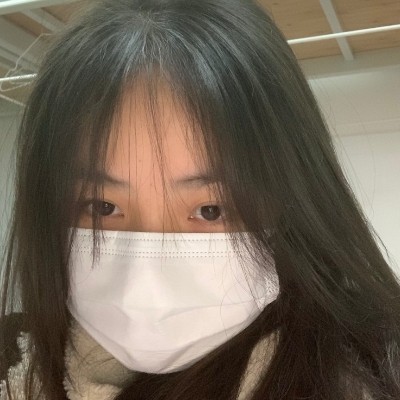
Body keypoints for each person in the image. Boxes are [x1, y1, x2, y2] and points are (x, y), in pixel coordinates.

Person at [1, 0, 400, 398]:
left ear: (292, 203)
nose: (146, 285)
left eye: (211, 210)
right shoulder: (13, 359)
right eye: (103, 208)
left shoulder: (359, 378)